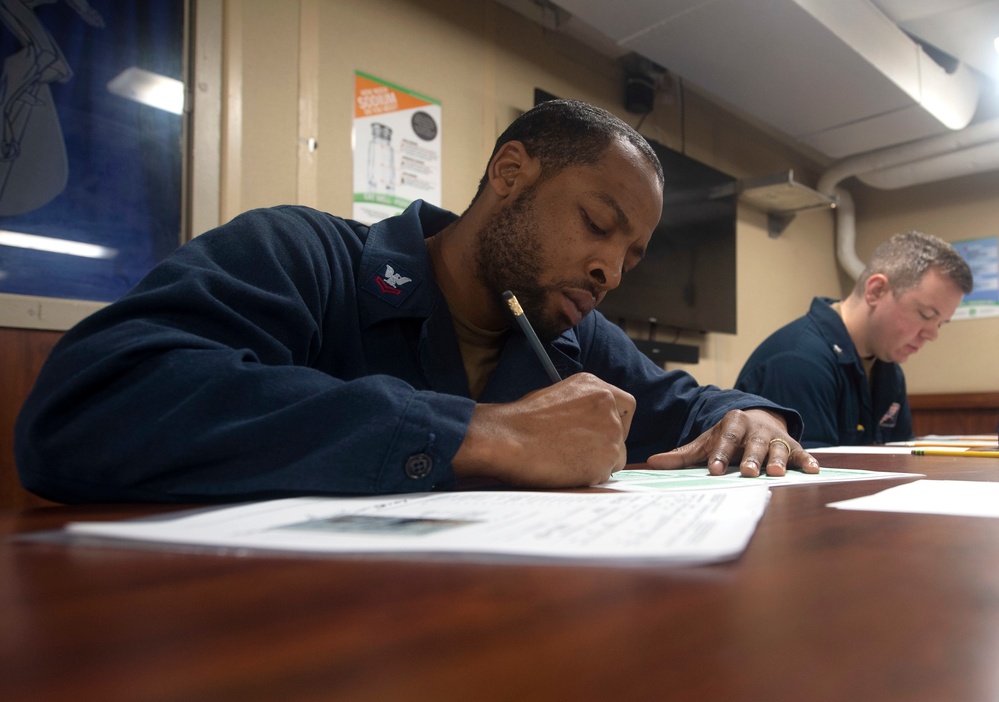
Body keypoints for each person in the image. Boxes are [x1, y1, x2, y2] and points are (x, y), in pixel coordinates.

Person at [15, 99, 818, 504]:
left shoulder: (569, 335)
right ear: (510, 173)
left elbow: (695, 405)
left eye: (630, 256)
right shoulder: (304, 255)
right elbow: (87, 407)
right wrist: (473, 432)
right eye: (597, 225)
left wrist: (756, 415)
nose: (609, 270)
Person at [735, 231, 973, 448]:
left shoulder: (888, 367)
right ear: (876, 291)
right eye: (926, 315)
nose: (933, 335)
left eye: (940, 323)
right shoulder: (798, 362)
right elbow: (808, 482)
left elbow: (900, 458)